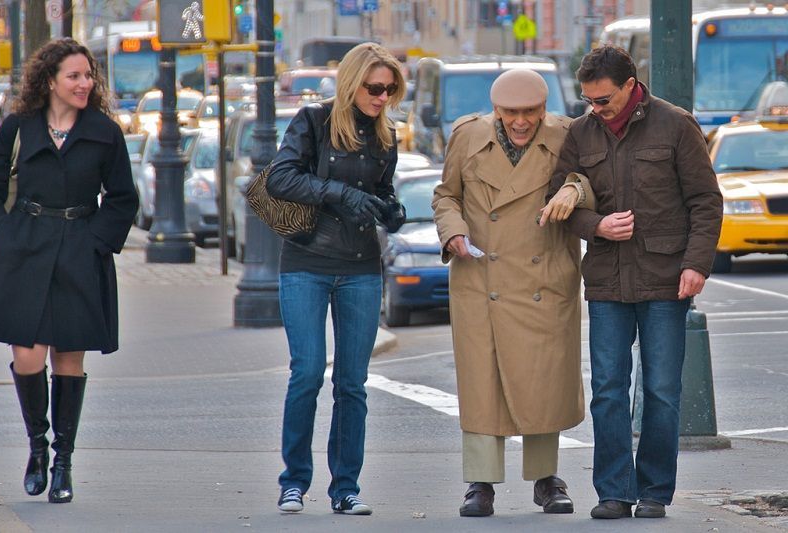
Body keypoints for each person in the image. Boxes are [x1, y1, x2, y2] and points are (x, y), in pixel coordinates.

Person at [544, 45, 722, 519]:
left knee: (662, 391)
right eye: (588, 101)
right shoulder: (581, 133)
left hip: (667, 278)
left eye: (603, 100)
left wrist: (696, 264)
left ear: (630, 85)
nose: (595, 109)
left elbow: (706, 200)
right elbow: (558, 199)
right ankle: (614, 491)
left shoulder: (675, 124)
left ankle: (655, 491)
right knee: (608, 388)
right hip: (606, 279)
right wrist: (595, 226)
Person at [432, 69, 593, 518]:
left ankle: (546, 479)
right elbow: (446, 195)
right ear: (495, 110)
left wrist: (573, 189)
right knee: (483, 381)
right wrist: (453, 231)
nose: (521, 122)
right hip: (481, 277)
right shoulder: (467, 136)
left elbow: (595, 183)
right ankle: (480, 483)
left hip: (545, 278)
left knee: (543, 380)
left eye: (530, 112)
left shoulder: (568, 134)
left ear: (544, 108)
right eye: (510, 113)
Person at [0, 38, 138, 504]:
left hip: (80, 249)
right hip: (26, 249)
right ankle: (37, 447)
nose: (84, 83)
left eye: (88, 76)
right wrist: (3, 231)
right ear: (50, 80)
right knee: (29, 356)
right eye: (74, 76)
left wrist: (97, 243)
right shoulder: (18, 127)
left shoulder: (104, 132)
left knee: (69, 359)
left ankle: (63, 462)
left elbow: (122, 198)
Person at [266, 42, 406, 516]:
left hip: (361, 268)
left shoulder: (387, 136)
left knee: (352, 383)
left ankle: (345, 486)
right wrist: (340, 194)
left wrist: (392, 210)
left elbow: (382, 190)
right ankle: (293, 482)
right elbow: (280, 179)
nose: (382, 97)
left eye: (390, 89)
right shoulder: (313, 120)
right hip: (306, 261)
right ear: (351, 83)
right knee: (306, 372)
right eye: (374, 87)